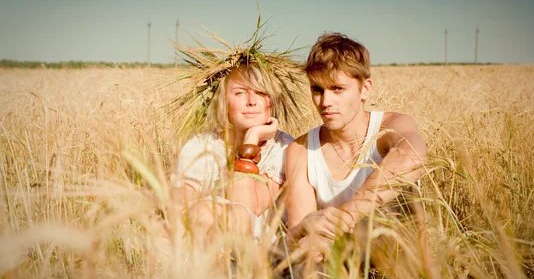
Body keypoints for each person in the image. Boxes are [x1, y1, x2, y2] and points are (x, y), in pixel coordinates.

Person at [283, 33, 427, 259]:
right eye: (317, 90)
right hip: (337, 269)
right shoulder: (300, 150)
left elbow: (413, 158)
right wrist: (304, 230)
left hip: (400, 272)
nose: (325, 102)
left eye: (337, 88)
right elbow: (299, 241)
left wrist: (347, 217)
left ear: (365, 89)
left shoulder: (391, 127)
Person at [168, 28, 311, 244]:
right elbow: (181, 205)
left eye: (261, 93)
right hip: (201, 238)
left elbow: (247, 208)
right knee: (202, 213)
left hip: (259, 249)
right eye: (240, 93)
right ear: (223, 102)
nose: (252, 101)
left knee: (225, 214)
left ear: (272, 101)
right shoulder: (201, 145)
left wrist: (251, 139)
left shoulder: (284, 148)